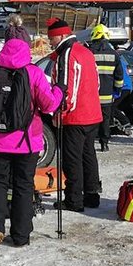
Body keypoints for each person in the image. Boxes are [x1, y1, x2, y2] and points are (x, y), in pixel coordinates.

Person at [0, 38, 63, 252]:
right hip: (27, 142)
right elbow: (49, 104)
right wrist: (59, 90)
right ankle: (21, 235)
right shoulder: (33, 73)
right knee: (23, 186)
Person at [47, 17, 102, 211]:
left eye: (51, 38)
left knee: (72, 159)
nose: (49, 42)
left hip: (75, 115)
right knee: (88, 155)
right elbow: (96, 83)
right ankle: (92, 194)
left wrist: (59, 111)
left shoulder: (67, 54)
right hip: (92, 112)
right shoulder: (85, 51)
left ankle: (73, 199)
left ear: (61, 36)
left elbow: (65, 87)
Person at [87, 23, 125, 151]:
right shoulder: (114, 54)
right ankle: (104, 144)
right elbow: (119, 76)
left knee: (91, 121)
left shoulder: (89, 53)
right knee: (105, 120)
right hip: (107, 95)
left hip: (91, 95)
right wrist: (117, 90)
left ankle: (90, 143)